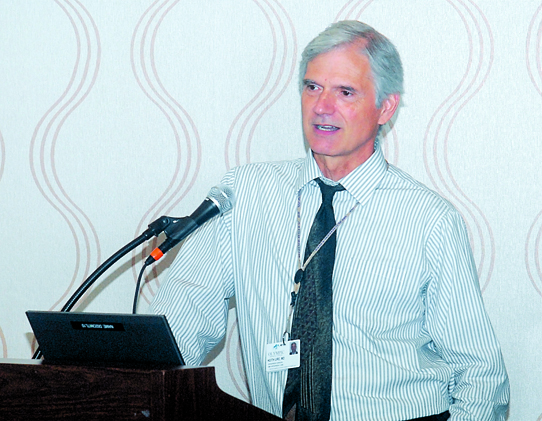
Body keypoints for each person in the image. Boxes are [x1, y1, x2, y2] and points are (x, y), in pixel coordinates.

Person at [150, 20, 509, 420]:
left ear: (386, 106)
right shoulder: (246, 194)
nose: (322, 106)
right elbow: (178, 327)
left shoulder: (429, 219)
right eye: (312, 87)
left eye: (345, 92)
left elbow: (480, 375)